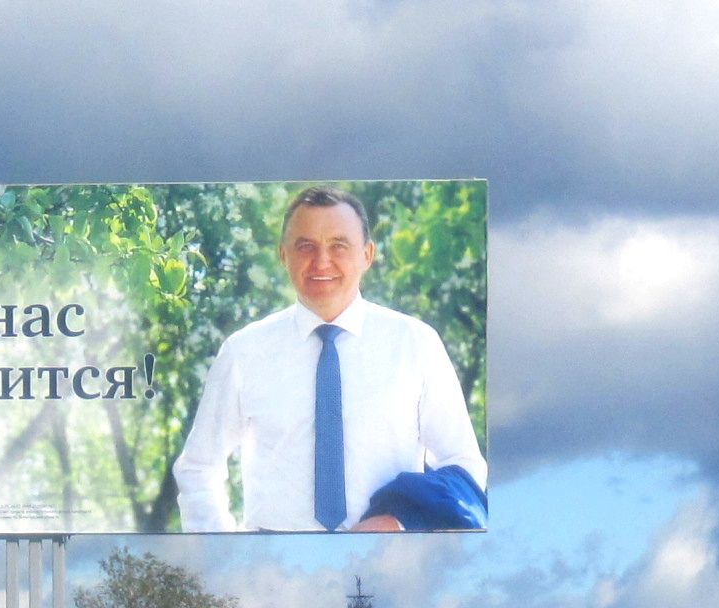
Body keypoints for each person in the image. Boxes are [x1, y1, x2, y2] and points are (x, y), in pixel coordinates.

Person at [172, 188, 486, 533]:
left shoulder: (416, 343)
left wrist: (399, 522)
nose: (321, 261)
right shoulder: (243, 351)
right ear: (283, 255)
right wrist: (224, 555)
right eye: (305, 246)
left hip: (389, 561)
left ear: (367, 254)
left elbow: (464, 464)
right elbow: (199, 467)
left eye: (339, 245)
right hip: (273, 568)